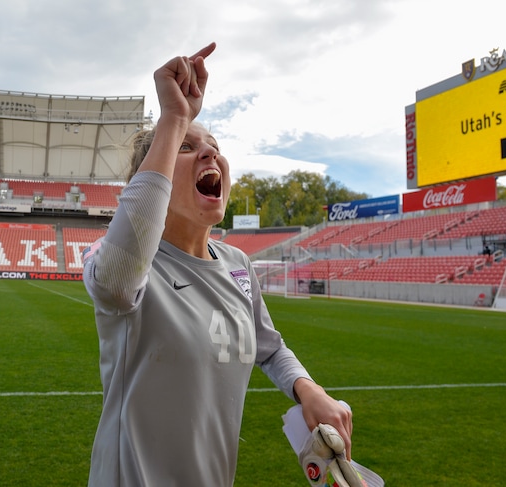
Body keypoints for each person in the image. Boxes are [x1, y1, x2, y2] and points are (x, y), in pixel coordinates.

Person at [82, 43, 353, 486]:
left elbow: (269, 347)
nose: (210, 154)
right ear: (157, 177)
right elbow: (114, 284)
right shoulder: (123, 262)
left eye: (215, 147)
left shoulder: (238, 263)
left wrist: (309, 390)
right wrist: (173, 118)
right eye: (187, 147)